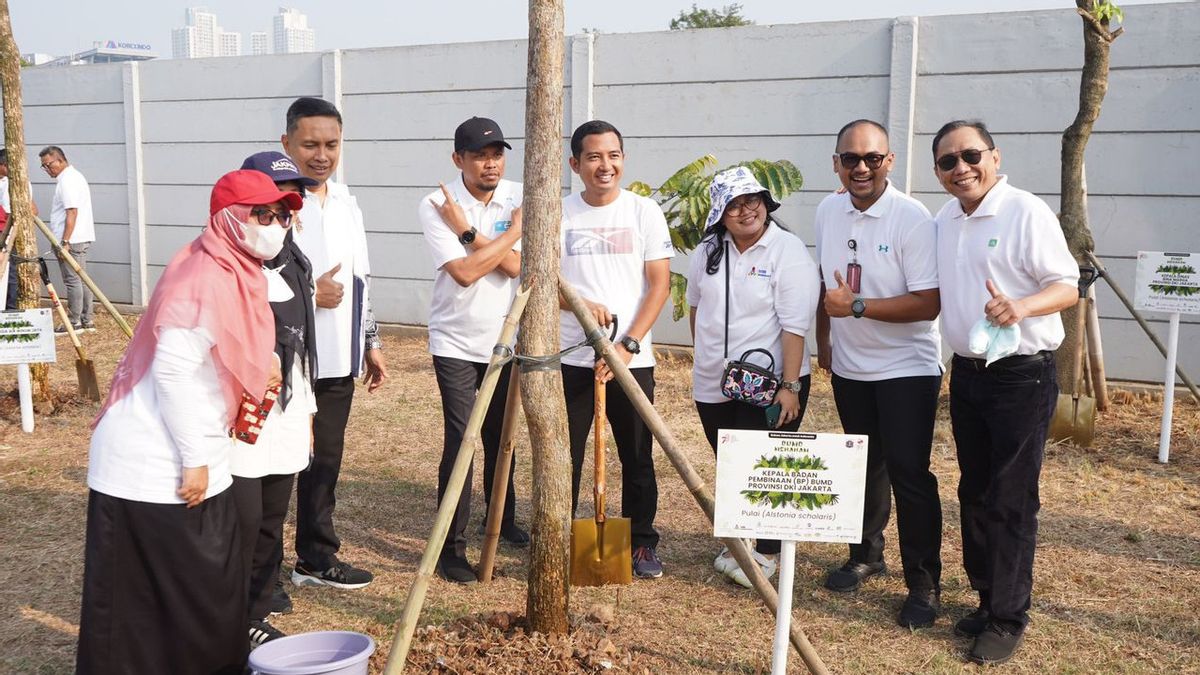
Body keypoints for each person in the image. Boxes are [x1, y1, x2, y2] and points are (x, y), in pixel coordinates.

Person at [77, 170, 303, 674]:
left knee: (208, 591)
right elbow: (174, 374)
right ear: (228, 218)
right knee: (148, 603)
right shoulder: (202, 277)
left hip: (196, 450)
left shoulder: (238, 271)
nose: (273, 225)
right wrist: (195, 461)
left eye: (281, 215)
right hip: (152, 463)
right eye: (260, 215)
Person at [931, 120, 1078, 665]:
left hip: (1021, 373)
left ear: (994, 156)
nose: (961, 167)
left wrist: (1020, 305)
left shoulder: (1025, 211)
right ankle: (987, 595)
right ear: (938, 172)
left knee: (1011, 497)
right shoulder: (947, 218)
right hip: (968, 372)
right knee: (975, 490)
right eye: (948, 161)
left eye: (971, 155)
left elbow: (1066, 285)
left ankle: (1008, 616)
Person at [813, 119, 945, 628]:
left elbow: (929, 303)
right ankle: (866, 553)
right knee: (864, 463)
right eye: (851, 159)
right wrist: (826, 340)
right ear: (836, 164)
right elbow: (828, 288)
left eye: (872, 158)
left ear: (889, 161)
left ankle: (924, 584)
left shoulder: (912, 218)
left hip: (906, 367)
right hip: (851, 366)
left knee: (910, 473)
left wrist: (860, 308)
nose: (861, 168)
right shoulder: (828, 209)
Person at [687, 166, 819, 588]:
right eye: (734, 205)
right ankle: (739, 542)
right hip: (714, 380)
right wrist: (705, 358)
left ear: (766, 204)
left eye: (753, 201)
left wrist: (791, 386)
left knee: (765, 465)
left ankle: (767, 552)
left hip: (770, 383)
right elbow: (696, 308)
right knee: (730, 461)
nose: (746, 211)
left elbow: (795, 326)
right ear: (719, 215)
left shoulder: (788, 251)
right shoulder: (708, 249)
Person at [281, 96, 387, 590]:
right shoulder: (271, 203)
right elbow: (247, 276)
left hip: (339, 357)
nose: (321, 155)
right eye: (310, 144)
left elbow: (361, 276)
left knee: (325, 460)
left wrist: (370, 340)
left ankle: (315, 557)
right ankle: (260, 576)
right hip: (284, 360)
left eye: (331, 144)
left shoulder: (346, 201)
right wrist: (308, 291)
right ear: (287, 144)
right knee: (278, 465)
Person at [559, 120, 672, 579]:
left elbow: (659, 285)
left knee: (637, 453)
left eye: (613, 156)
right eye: (593, 157)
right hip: (570, 355)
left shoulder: (643, 212)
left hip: (631, 358)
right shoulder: (559, 213)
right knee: (566, 453)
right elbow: (540, 280)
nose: (605, 166)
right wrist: (581, 305)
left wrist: (627, 345)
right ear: (575, 164)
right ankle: (561, 534)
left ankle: (641, 541)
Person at [418, 117, 527, 584]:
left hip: (507, 339)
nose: (491, 164)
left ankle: (503, 519)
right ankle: (451, 547)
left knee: (502, 440)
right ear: (458, 159)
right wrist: (507, 236)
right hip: (456, 341)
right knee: (462, 441)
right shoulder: (437, 204)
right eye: (481, 155)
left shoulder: (521, 195)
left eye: (498, 154)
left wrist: (470, 237)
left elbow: (518, 269)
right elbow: (464, 274)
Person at [233, 151, 320, 646]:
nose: (280, 218)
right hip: (241, 419)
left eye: (288, 206)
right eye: (266, 208)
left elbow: (303, 344)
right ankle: (224, 615)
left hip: (286, 410)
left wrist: (306, 411)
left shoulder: (295, 262)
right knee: (240, 523)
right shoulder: (226, 264)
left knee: (270, 522)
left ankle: (254, 615)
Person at [39, 146, 96, 333]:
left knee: (73, 280)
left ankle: (74, 321)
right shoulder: (73, 177)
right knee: (81, 278)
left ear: (61, 160)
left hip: (71, 239)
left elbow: (72, 211)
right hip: (78, 237)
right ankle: (87, 319)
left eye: (48, 165)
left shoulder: (68, 181)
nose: (47, 169)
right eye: (43, 167)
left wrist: (65, 241)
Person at [0, 149, 39, 310]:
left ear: (5, 165)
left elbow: (12, 213)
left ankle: (10, 308)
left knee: (10, 273)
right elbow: (34, 209)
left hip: (8, 234)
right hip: (12, 233)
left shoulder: (12, 183)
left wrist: (5, 239)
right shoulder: (16, 181)